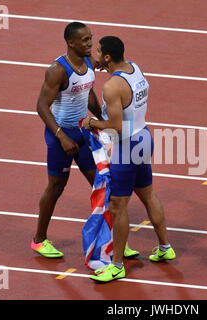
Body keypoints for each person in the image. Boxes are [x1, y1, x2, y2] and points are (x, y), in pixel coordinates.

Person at [31, 22, 139, 259]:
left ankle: (115, 242)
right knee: (56, 187)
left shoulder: (89, 62)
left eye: (91, 39)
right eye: (85, 41)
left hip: (82, 132)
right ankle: (39, 240)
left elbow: (87, 91)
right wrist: (61, 136)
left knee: (104, 184)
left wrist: (101, 119)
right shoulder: (57, 70)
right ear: (71, 43)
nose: (91, 44)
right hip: (61, 136)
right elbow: (41, 106)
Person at [84, 36, 176, 282]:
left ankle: (116, 265)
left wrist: (92, 123)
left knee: (117, 205)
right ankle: (165, 247)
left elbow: (117, 128)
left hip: (127, 146)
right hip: (144, 136)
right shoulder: (135, 69)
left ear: (107, 58)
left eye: (99, 52)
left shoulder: (112, 86)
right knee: (148, 194)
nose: (95, 56)